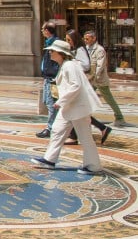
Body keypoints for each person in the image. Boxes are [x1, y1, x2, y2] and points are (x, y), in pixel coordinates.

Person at [31, 40, 103, 175]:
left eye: (52, 51)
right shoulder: (65, 65)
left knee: (85, 137)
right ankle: (49, 159)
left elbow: (75, 85)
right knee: (57, 131)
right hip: (69, 107)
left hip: (77, 108)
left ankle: (93, 165)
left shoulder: (70, 65)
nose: (50, 53)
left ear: (60, 53)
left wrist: (61, 101)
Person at [64, 30, 111, 145]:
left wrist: (73, 63)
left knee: (76, 110)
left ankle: (74, 136)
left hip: (80, 82)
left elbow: (86, 65)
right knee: (78, 110)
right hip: (78, 82)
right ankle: (101, 128)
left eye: (69, 40)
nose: (67, 42)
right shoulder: (76, 49)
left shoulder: (79, 50)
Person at [84, 30, 126, 127]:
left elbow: (100, 65)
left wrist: (94, 77)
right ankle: (86, 117)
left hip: (99, 80)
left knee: (108, 98)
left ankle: (119, 118)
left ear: (94, 38)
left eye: (87, 38)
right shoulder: (86, 49)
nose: (85, 40)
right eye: (84, 38)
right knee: (86, 97)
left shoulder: (100, 49)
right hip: (90, 80)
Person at [36, 21, 60, 138]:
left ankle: (50, 128)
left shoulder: (55, 44)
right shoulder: (49, 42)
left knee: (51, 104)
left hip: (52, 78)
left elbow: (56, 63)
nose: (41, 31)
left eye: (43, 29)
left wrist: (52, 75)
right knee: (47, 102)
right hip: (47, 77)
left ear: (47, 30)